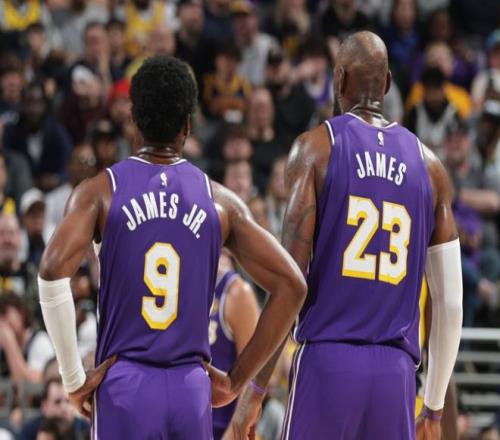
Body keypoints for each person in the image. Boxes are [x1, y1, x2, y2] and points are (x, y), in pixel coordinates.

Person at [37, 55, 306, 439]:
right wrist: (236, 380)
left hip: (125, 385)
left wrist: (73, 378)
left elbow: (51, 271)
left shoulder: (100, 192)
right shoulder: (219, 202)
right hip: (190, 389)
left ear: (133, 121)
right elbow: (292, 285)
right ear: (187, 125)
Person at [227, 31, 463, 440]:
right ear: (387, 84)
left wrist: (257, 386)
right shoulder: (430, 167)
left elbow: (289, 280)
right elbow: (451, 303)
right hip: (396, 375)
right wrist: (434, 406)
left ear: (339, 79)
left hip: (328, 362)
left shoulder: (316, 149)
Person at [209, 251, 260, 439]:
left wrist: (232, 435)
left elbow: (254, 378)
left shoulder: (237, 293)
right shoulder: (183, 286)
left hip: (221, 429)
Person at [19, 377, 90, 440]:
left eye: (68, 401)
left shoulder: (84, 429)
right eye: (57, 402)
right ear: (45, 406)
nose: (64, 407)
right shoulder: (30, 431)